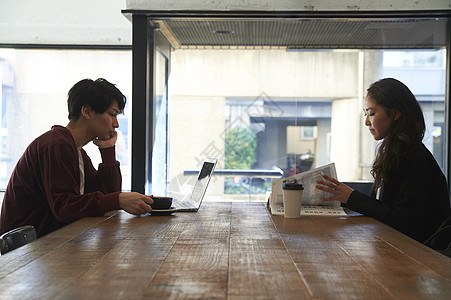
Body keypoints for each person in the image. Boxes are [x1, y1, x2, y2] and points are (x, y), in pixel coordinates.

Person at [0, 78, 154, 238]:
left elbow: (106, 198)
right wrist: (118, 199)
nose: (116, 124)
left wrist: (108, 151)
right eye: (112, 114)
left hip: (51, 243)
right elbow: (64, 207)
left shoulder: (77, 152)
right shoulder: (55, 144)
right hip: (25, 252)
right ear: (87, 111)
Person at [316, 78, 451, 244]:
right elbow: (384, 208)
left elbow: (404, 221)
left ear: (395, 113)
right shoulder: (395, 152)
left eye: (371, 113)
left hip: (423, 256)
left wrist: (351, 197)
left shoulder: (415, 158)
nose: (366, 122)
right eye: (365, 114)